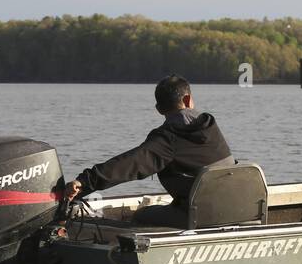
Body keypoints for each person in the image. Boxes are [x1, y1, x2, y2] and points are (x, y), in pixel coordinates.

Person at [62, 75, 235, 227]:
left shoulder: (168, 139)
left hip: (201, 215)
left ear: (158, 109)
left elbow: (129, 165)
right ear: (189, 100)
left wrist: (83, 182)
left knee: (141, 216)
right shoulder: (210, 125)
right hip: (239, 207)